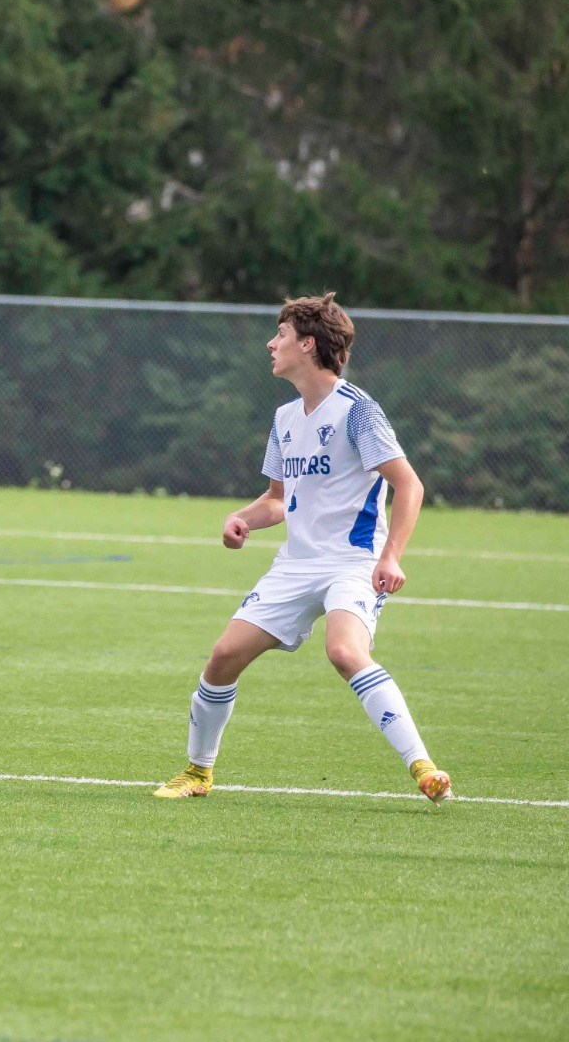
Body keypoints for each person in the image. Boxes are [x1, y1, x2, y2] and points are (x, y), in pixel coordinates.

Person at [153, 293, 452, 805]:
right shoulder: (286, 418)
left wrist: (391, 555)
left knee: (344, 651)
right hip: (296, 564)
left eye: (281, 335)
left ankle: (423, 766)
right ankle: (198, 773)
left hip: (352, 563)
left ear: (307, 344)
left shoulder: (357, 412)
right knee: (223, 657)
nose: (271, 343)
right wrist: (242, 519)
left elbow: (410, 485)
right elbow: (278, 499)